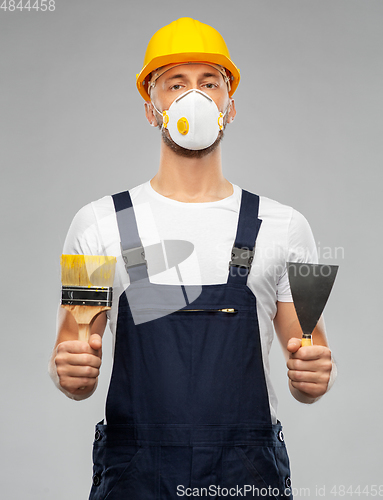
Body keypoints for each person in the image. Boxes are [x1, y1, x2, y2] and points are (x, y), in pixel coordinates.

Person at [49, 17, 336, 500]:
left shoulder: (289, 226)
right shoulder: (94, 225)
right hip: (135, 479)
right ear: (150, 107)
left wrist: (314, 375)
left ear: (230, 104)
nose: (193, 97)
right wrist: (71, 371)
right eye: (174, 83)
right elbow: (73, 361)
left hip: (247, 479)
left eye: (210, 82)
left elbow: (312, 367)